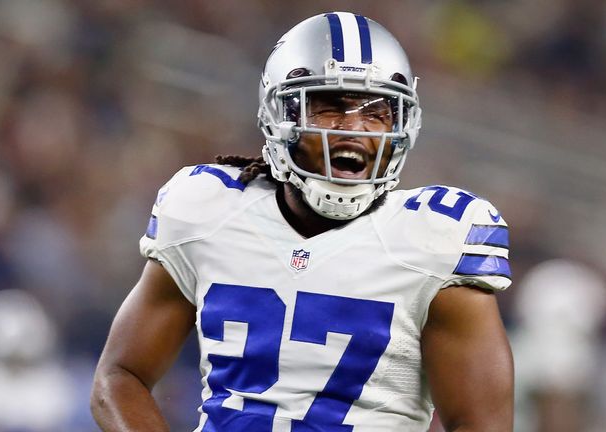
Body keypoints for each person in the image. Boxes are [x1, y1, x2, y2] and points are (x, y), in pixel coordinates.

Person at [91, 11, 513, 432]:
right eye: (330, 107)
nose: (354, 130)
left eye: (377, 112)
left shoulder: (436, 238)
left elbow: (482, 425)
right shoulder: (209, 211)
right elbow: (120, 376)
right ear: (280, 115)